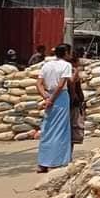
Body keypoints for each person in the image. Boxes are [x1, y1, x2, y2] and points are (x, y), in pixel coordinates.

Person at [36, 44, 73, 173]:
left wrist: (46, 97)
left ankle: (43, 162)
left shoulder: (46, 65)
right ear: (66, 52)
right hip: (60, 97)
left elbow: (39, 84)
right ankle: (57, 162)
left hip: (49, 95)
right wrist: (52, 99)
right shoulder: (66, 65)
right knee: (60, 130)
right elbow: (61, 85)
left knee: (47, 129)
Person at [67, 54, 86, 148]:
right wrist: (75, 96)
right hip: (73, 103)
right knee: (73, 127)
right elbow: (72, 84)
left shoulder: (68, 71)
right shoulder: (73, 71)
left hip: (71, 102)